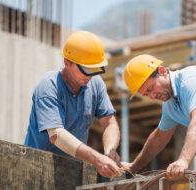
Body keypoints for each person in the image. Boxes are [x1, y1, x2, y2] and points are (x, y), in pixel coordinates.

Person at [24, 31, 122, 178]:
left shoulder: (96, 83)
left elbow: (110, 123)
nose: (90, 75)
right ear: (67, 63)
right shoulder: (48, 86)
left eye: (94, 69)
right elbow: (56, 135)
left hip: (72, 171)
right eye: (85, 69)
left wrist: (110, 151)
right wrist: (96, 159)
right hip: (36, 169)